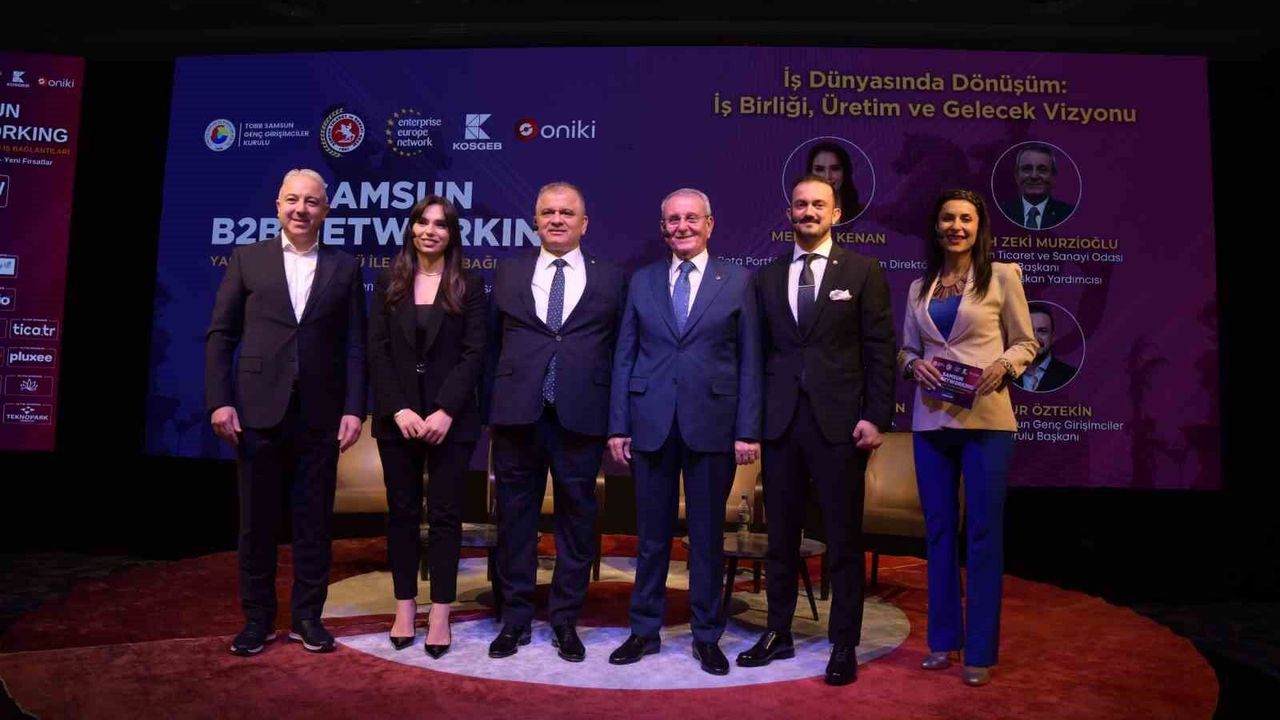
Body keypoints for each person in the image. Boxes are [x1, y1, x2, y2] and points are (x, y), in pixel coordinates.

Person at [736, 175, 895, 686]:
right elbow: (756, 356)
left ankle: (843, 643)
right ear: (789, 213)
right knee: (780, 538)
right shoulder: (766, 276)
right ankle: (778, 632)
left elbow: (879, 350)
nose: (808, 212)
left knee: (843, 540)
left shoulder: (864, 271)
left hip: (841, 427)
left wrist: (876, 416)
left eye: (818, 205)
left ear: (836, 214)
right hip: (781, 425)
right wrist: (752, 424)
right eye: (800, 204)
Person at [206, 168, 367, 656]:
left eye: (311, 202)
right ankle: (257, 620)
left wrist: (354, 408)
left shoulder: (345, 267)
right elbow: (222, 334)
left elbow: (356, 345)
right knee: (257, 523)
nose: (301, 209)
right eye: (292, 200)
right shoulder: (247, 258)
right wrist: (220, 399)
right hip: (258, 411)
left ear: (326, 210)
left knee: (314, 523)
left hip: (321, 414)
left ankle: (307, 618)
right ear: (278, 205)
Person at [606, 188, 762, 676]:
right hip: (649, 422)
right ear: (663, 228)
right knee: (650, 537)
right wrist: (619, 424)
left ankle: (706, 635)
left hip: (713, 424)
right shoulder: (642, 280)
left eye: (692, 218)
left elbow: (750, 360)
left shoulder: (738, 280)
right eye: (673, 220)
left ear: (710, 224)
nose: (682, 227)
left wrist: (747, 429)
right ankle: (643, 630)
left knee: (707, 537)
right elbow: (624, 355)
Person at [898, 189, 1039, 686]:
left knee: (981, 534)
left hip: (986, 422)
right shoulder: (919, 287)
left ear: (979, 228)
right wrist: (913, 365)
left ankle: (979, 651)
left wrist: (1005, 365)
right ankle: (942, 642)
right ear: (936, 227)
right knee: (938, 533)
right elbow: (906, 350)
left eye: (965, 219)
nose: (956, 226)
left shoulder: (1002, 276)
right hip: (931, 423)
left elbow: (1027, 341)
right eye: (947, 218)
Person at [483, 182, 627, 662]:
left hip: (582, 417)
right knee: (515, 523)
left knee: (577, 525)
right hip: (517, 416)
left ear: (584, 223)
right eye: (548, 212)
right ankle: (515, 619)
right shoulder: (508, 272)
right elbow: (490, 346)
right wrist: (490, 409)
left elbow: (621, 352)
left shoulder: (613, 277)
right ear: (535, 221)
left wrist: (618, 419)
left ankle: (565, 620)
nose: (557, 219)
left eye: (567, 213)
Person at [367, 196, 485, 658]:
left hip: (450, 421)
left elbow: (475, 353)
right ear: (411, 228)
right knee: (401, 513)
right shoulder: (389, 281)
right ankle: (403, 607)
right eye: (423, 222)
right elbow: (376, 350)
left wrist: (445, 410)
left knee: (444, 515)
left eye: (441, 224)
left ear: (451, 234)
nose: (430, 231)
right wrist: (399, 409)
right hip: (397, 419)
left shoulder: (469, 284)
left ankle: (439, 612)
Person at [999, 143, 1074, 230]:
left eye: (1042, 170)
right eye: (1027, 169)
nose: (1034, 176)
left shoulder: (1068, 215)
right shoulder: (1001, 213)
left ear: (1053, 177)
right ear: (1017, 176)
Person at [1016, 306, 1078, 392]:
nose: (1035, 338)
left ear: (1052, 337)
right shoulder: (1004, 374)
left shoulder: (1071, 376)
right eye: (1029, 331)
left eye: (1042, 331)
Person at [806, 141, 862, 218]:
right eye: (819, 169)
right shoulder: (799, 215)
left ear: (845, 172)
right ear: (810, 173)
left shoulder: (866, 216)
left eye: (835, 169)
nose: (827, 176)